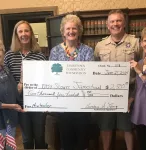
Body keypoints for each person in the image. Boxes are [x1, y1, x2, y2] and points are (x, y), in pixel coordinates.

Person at [94, 9, 141, 150]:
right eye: (112, 21)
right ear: (107, 25)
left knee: (128, 128)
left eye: (118, 20)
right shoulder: (100, 46)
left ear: (124, 23)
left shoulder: (135, 43)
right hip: (105, 94)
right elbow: (95, 69)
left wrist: (132, 97)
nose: (115, 24)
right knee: (105, 127)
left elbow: (142, 67)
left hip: (128, 93)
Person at [49, 14, 94, 150]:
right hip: (63, 105)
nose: (71, 31)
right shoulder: (55, 51)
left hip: (82, 104)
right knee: (66, 141)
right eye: (68, 28)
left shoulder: (87, 51)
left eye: (74, 28)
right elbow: (52, 77)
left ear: (79, 31)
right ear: (63, 31)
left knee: (82, 141)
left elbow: (89, 76)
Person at [4, 20, 47, 149]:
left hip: (38, 103)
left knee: (40, 137)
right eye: (20, 31)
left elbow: (45, 81)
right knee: (27, 138)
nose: (24, 34)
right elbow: (6, 83)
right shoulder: (9, 56)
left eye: (26, 31)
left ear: (31, 34)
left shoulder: (40, 56)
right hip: (20, 105)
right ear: (16, 35)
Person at [0, 40, 23, 150]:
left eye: (0, 50)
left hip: (10, 120)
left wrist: (21, 83)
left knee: (9, 147)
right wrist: (12, 106)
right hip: (0, 122)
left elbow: (14, 92)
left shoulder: (6, 70)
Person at [130, 25, 146, 150]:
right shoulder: (140, 62)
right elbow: (138, 87)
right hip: (138, 111)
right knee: (142, 144)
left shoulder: (138, 67)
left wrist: (139, 73)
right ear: (141, 43)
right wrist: (129, 101)